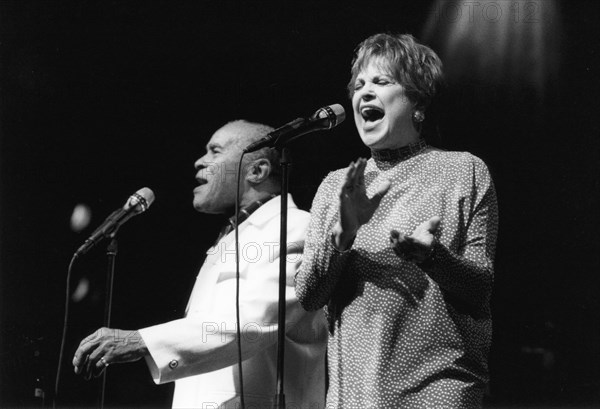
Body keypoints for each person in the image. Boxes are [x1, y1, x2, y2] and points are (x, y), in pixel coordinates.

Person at [295, 33, 499, 408]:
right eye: (359, 85)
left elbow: (480, 287)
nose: (365, 92)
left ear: (417, 102)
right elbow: (309, 296)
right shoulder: (335, 186)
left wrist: (433, 257)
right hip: (356, 393)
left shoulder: (463, 170)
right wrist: (344, 233)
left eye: (381, 82)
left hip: (440, 388)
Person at [72, 120, 328, 409]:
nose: (199, 162)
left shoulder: (294, 227)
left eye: (215, 151)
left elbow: (252, 322)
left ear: (257, 170)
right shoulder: (228, 239)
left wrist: (142, 340)